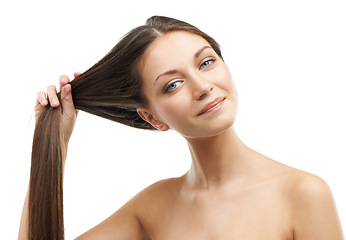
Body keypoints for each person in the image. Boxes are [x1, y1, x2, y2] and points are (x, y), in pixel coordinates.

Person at [19, 16, 343, 240]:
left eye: (206, 62)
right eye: (173, 85)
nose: (203, 86)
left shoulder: (303, 194)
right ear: (153, 118)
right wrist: (53, 144)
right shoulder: (154, 205)